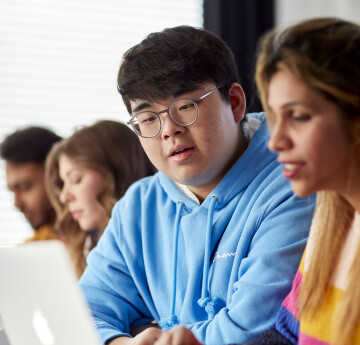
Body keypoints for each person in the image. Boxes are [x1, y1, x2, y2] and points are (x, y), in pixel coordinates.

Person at [79, 26, 315, 345]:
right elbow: (83, 314)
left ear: (234, 103)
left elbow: (253, 332)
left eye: (186, 106)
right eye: (148, 118)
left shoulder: (295, 181)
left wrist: (146, 331)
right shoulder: (138, 206)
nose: (168, 131)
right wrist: (122, 341)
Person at [159, 17, 360, 345]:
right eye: (276, 118)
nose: (274, 141)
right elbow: (284, 334)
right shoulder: (333, 227)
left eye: (298, 117)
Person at [45, 120, 156, 277]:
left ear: (118, 176)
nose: (64, 197)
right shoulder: (86, 248)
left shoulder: (157, 245)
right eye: (63, 183)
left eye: (76, 179)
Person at [0, 126, 62, 241]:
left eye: (25, 188)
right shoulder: (34, 246)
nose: (17, 203)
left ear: (58, 176)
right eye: (13, 191)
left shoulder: (98, 240)